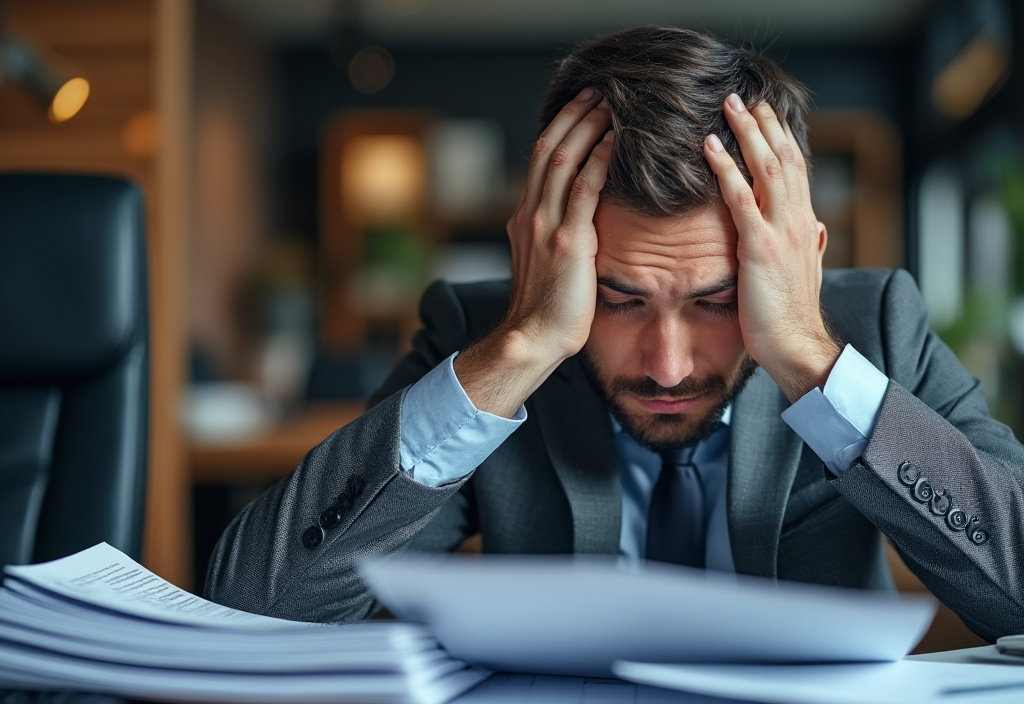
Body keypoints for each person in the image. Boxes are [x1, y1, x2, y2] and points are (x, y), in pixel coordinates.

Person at [207, 27, 1024, 642]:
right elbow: (256, 613)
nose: (668, 366)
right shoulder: (485, 337)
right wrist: (522, 348)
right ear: (543, 254)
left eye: (716, 301)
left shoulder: (873, 327)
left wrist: (810, 360)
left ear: (799, 260)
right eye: (618, 300)